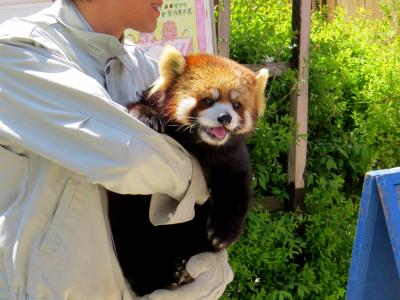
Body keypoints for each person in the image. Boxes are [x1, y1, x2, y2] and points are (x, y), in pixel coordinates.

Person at [0, 0, 233, 299]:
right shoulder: (18, 52)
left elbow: (224, 155)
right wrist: (203, 177)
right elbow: (131, 157)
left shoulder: (148, 70)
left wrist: (210, 264)